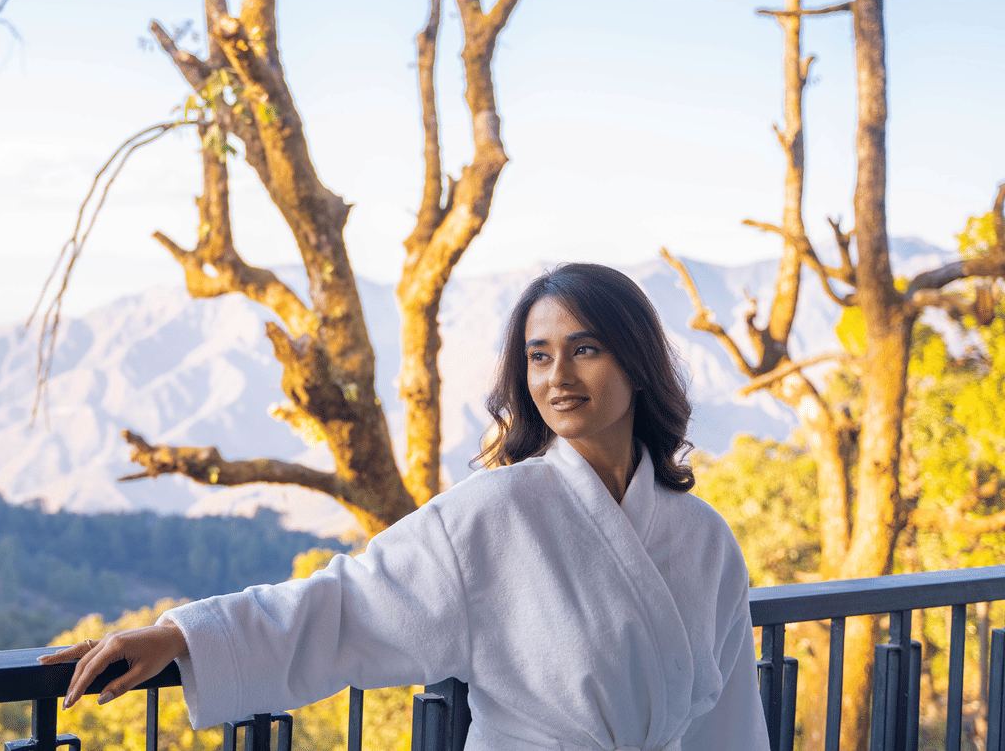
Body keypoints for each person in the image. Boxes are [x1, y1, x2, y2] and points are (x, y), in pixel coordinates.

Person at [39, 263, 769, 750]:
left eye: (585, 349)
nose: (557, 376)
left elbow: (733, 722)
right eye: (539, 355)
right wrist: (186, 636)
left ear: (636, 363)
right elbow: (348, 603)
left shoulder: (704, 539)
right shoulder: (497, 512)